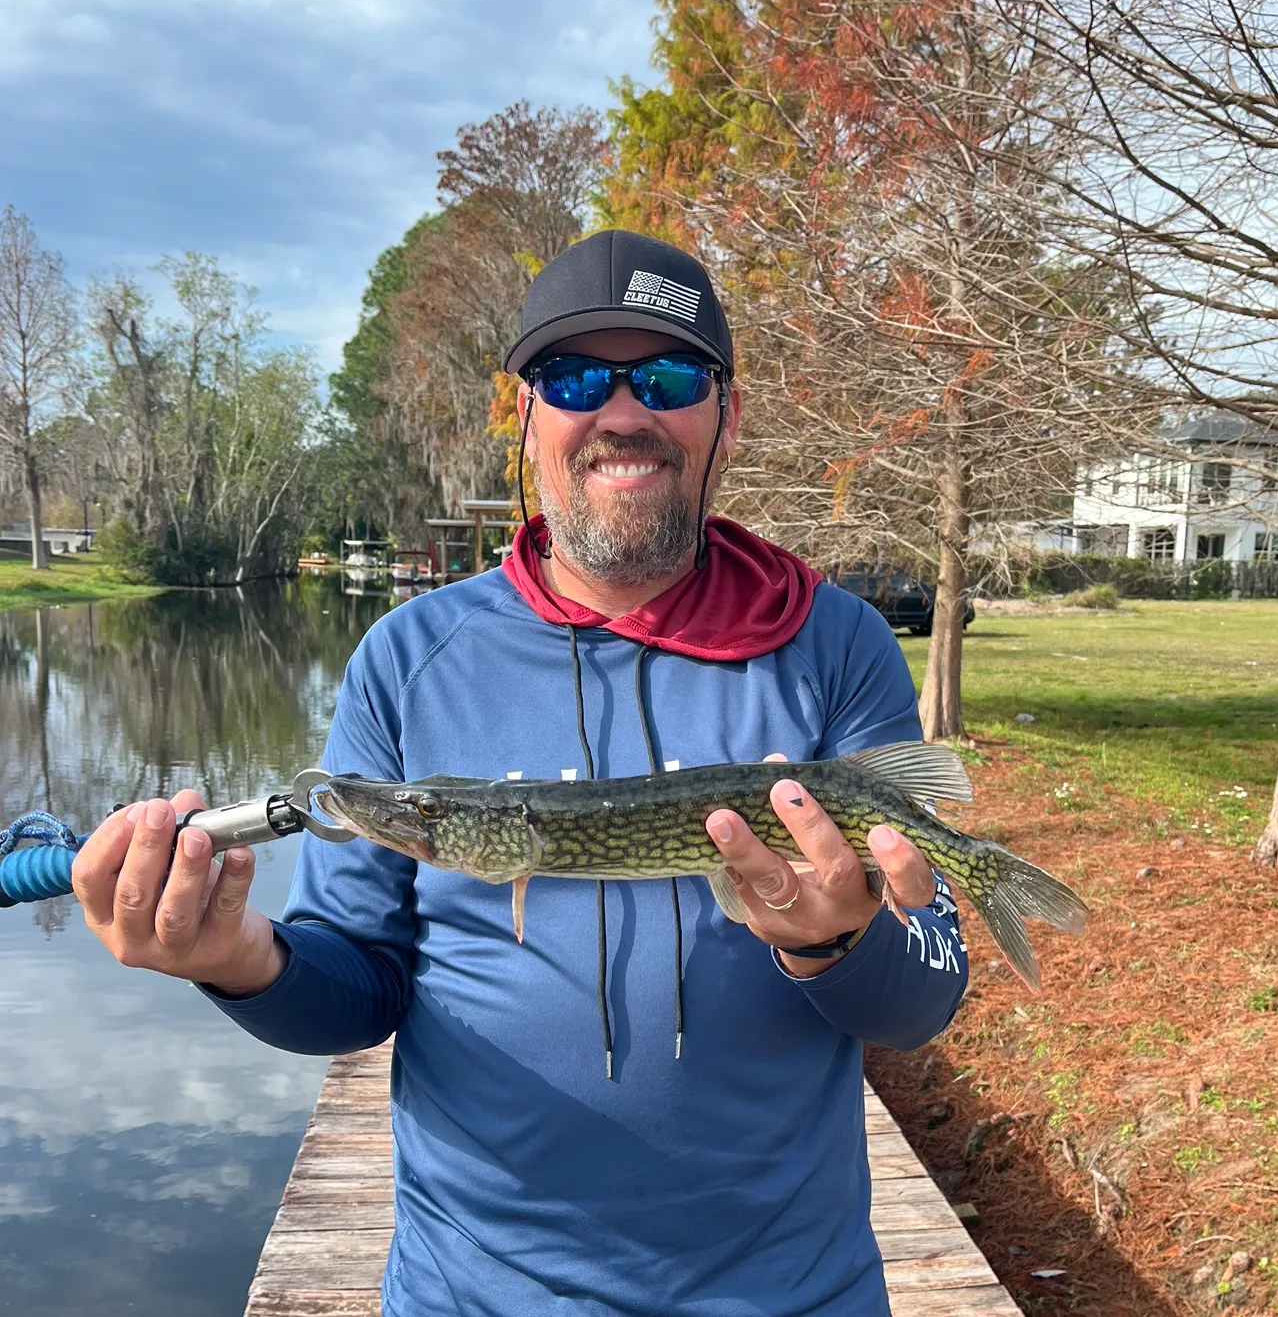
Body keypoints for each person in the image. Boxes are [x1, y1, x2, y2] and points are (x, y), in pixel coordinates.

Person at [72, 229, 969, 1317]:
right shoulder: (407, 658)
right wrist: (240, 961)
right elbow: (357, 985)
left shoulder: (833, 643)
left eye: (671, 376)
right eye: (577, 377)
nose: (625, 412)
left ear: (725, 415)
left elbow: (924, 992)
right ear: (529, 418)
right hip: (476, 1296)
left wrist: (841, 940)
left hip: (791, 1294)